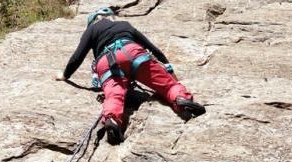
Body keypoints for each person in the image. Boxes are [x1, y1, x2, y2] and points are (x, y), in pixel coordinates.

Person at [55, 7, 206, 145]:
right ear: (108, 18)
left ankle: (112, 120)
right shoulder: (124, 25)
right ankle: (181, 98)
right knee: (167, 86)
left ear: (93, 21)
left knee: (114, 95)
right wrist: (170, 74)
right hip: (132, 53)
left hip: (107, 62)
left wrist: (65, 75)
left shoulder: (92, 29)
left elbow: (78, 56)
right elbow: (154, 49)